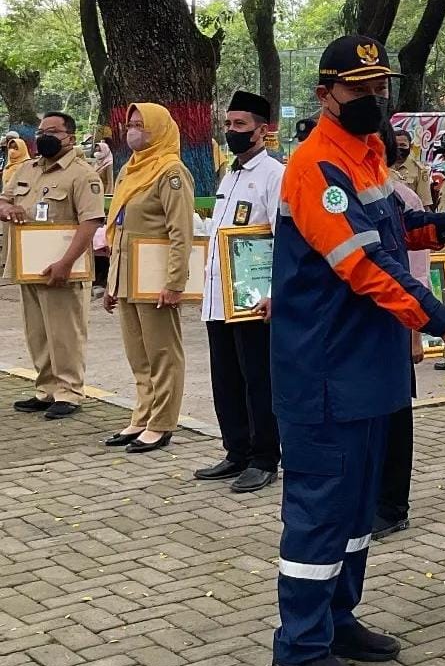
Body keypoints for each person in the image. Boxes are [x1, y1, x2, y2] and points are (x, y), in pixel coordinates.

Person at [267, 34, 445, 666]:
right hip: (325, 370)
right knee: (318, 512)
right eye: (359, 88)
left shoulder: (367, 158)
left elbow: (400, 233)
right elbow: (363, 266)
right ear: (325, 93)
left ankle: (338, 620)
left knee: (358, 510)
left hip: (368, 369)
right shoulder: (314, 167)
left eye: (380, 87)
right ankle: (299, 650)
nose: (374, 99)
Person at [194, 91, 284, 494]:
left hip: (254, 300)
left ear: (263, 130)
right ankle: (236, 451)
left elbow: (285, 240)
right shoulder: (228, 175)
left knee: (257, 380)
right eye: (228, 125)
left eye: (240, 125)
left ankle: (265, 457)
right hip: (219, 297)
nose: (231, 132)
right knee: (225, 379)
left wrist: (276, 292)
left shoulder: (274, 175)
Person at [0, 113, 105, 418]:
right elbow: (2, 201)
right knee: (38, 332)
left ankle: (69, 392)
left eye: (53, 132)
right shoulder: (26, 169)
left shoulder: (83, 175)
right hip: (29, 266)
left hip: (64, 269)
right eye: (41, 131)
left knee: (65, 334)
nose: (44, 136)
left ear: (70, 138)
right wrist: (9, 209)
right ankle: (45, 389)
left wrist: (66, 263)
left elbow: (90, 222)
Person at [103, 104, 195, 453]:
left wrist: (174, 283)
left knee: (162, 354)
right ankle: (141, 417)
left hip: (156, 281)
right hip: (128, 279)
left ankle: (162, 422)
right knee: (138, 356)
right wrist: (112, 284)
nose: (133, 130)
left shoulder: (171, 172)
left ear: (159, 129)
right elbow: (120, 229)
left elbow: (180, 232)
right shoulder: (131, 169)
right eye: (131, 124)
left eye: (141, 124)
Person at [373, 122, 428, 540]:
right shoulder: (349, 195)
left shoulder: (399, 198)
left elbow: (417, 270)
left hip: (395, 325)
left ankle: (393, 506)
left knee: (394, 419)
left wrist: (417, 330)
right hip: (360, 332)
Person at [392, 128, 433, 208]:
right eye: (395, 145)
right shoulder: (383, 167)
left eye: (403, 145)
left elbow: (424, 203)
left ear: (410, 146)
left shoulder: (420, 170)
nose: (399, 148)